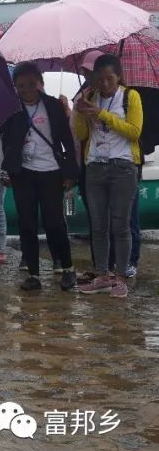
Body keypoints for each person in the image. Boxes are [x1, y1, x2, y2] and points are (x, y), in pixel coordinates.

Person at [0, 63, 78, 292]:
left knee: (54, 223)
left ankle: (68, 268)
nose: (26, 90)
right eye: (21, 86)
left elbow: (67, 141)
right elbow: (5, 138)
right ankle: (33, 274)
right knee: (27, 224)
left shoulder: (53, 106)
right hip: (24, 174)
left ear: (40, 83)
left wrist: (70, 173)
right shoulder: (13, 110)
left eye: (31, 85)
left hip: (51, 172)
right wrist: (8, 168)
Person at [72, 55, 142, 298]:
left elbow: (134, 131)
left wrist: (102, 114)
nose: (105, 84)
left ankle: (120, 277)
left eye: (109, 79)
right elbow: (81, 134)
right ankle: (102, 274)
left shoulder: (130, 97)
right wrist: (79, 112)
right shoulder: (89, 97)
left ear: (118, 76)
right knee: (98, 225)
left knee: (120, 225)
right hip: (95, 167)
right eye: (99, 79)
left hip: (122, 166)